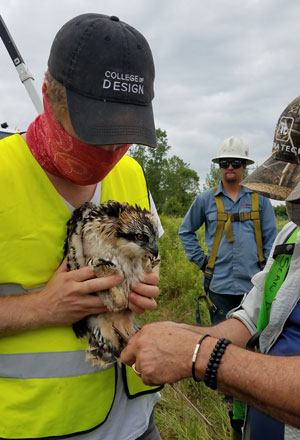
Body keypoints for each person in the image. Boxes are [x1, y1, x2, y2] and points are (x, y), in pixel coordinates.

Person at [0, 13, 164, 440]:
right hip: (36, 427)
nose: (111, 150)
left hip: (136, 421)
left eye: (124, 132)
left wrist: (143, 280)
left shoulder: (133, 175)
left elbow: (150, 259)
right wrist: (40, 308)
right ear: (49, 95)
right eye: (96, 130)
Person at [121, 94, 300, 440]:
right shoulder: (291, 235)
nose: (293, 204)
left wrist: (198, 354)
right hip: (221, 284)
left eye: (237, 163)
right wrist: (182, 334)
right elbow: (253, 316)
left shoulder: (260, 204)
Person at [178, 136, 277, 325]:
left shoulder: (260, 199)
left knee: (250, 343)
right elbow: (185, 231)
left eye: (236, 162)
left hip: (253, 286)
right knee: (222, 343)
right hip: (219, 287)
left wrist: (267, 274)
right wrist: (202, 262)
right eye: (225, 162)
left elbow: (271, 239)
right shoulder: (205, 199)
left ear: (245, 166)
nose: (230, 166)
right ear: (219, 166)